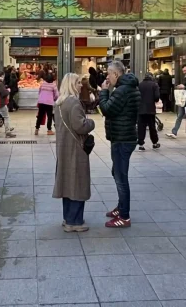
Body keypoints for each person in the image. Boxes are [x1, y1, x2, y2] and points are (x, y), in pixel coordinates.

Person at [97, 61, 139, 228]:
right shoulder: (129, 87)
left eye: (109, 74)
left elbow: (107, 109)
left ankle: (124, 216)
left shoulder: (122, 90)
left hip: (122, 138)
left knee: (121, 177)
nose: (107, 77)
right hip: (124, 136)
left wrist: (103, 92)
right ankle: (121, 207)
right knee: (117, 172)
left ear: (116, 74)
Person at [53, 72, 94, 232]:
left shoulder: (59, 103)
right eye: (78, 82)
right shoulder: (74, 103)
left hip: (63, 147)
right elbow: (80, 126)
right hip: (76, 148)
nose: (81, 85)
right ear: (71, 84)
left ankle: (67, 218)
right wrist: (91, 123)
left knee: (67, 183)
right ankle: (74, 222)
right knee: (78, 183)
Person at [137, 72, 161, 150]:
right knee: (152, 127)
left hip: (141, 109)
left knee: (141, 127)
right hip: (150, 109)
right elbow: (157, 97)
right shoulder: (154, 85)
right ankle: (154, 143)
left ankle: (141, 144)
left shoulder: (140, 85)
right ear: (152, 77)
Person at [36, 72, 58, 136]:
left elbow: (39, 92)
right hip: (49, 102)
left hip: (41, 102)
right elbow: (56, 95)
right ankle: (49, 130)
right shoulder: (53, 85)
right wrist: (54, 99)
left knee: (40, 116)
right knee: (49, 116)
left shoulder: (43, 84)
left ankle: (37, 129)